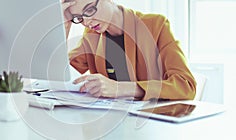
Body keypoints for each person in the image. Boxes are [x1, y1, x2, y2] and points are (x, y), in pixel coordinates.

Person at [62, 0, 196, 101]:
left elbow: (186, 86)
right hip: (111, 122)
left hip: (151, 125)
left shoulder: (156, 25)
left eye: (90, 9)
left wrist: (120, 89)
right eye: (78, 17)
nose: (86, 21)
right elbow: (59, 75)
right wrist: (63, 27)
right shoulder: (92, 35)